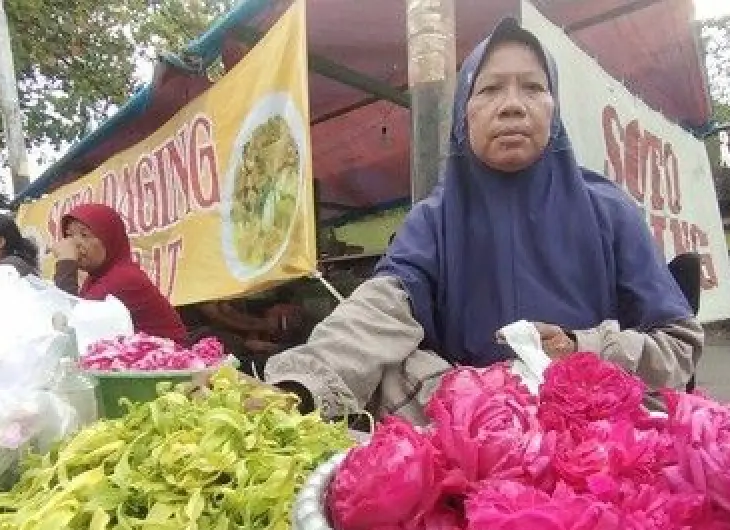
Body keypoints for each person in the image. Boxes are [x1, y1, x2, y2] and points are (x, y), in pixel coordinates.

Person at [249, 18, 703, 424]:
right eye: (489, 89)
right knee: (385, 362)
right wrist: (297, 387)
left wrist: (578, 349)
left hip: (595, 434)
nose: (511, 105)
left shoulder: (609, 211)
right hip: (473, 436)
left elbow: (678, 346)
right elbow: (376, 314)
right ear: (464, 114)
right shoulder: (433, 221)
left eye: (532, 87)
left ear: (554, 108)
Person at [52, 203, 187, 342]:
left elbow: (69, 320)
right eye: (69, 236)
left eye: (84, 235)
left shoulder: (124, 278)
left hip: (172, 360)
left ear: (109, 238)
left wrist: (66, 262)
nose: (75, 244)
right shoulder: (96, 277)